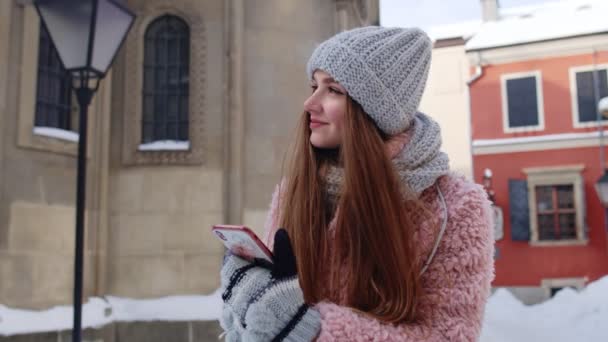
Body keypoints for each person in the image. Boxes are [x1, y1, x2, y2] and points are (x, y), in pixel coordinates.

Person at [219, 26, 495, 342]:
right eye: (314, 86)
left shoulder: (455, 207)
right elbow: (273, 317)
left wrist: (311, 331)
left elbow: (450, 336)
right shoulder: (295, 190)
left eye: (333, 90)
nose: (310, 103)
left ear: (375, 109)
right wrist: (246, 307)